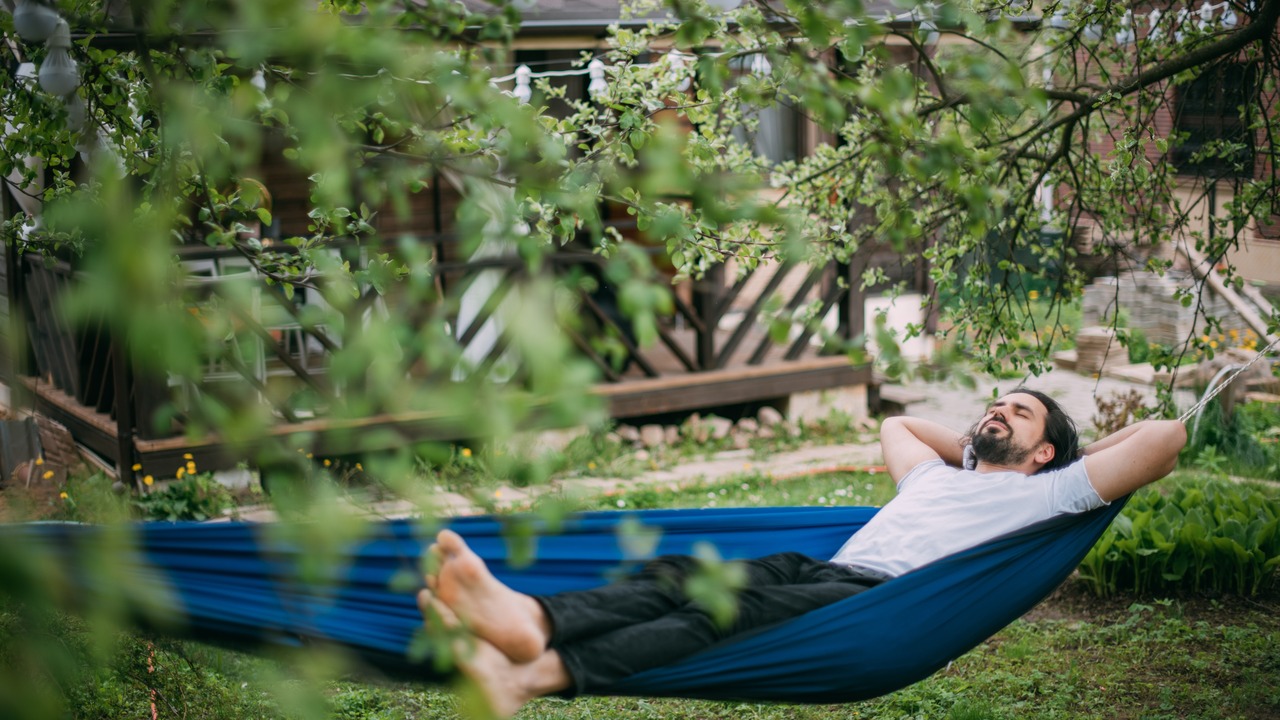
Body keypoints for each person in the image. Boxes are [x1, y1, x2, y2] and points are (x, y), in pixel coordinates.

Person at [418, 388, 1187, 717]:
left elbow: (1165, 440)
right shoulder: (935, 478)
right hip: (818, 569)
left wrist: (1066, 459)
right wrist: (975, 440)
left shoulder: (1044, 495)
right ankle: (528, 621)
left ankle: (535, 671)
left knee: (723, 615)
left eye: (1016, 414)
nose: (996, 412)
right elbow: (897, 430)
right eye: (994, 402)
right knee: (685, 575)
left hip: (879, 601)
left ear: (1044, 449)